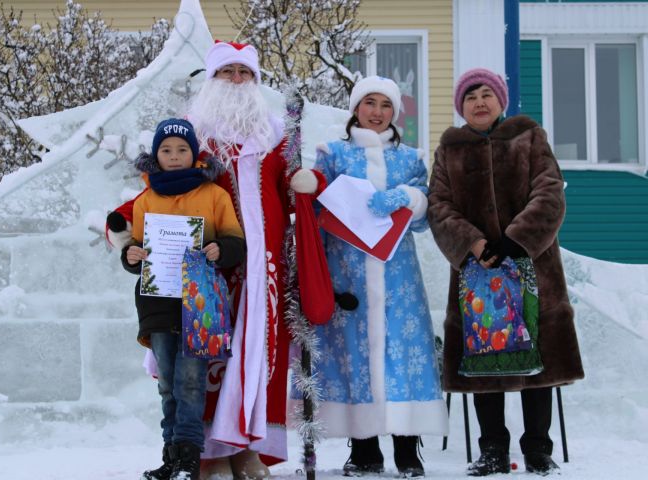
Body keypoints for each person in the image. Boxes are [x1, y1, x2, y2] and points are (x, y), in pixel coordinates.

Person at [427, 68, 584, 476]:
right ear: (461, 107)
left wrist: (517, 240)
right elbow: (439, 205)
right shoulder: (449, 150)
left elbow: (550, 191)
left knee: (539, 361)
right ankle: (493, 449)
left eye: (486, 94)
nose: (479, 102)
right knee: (483, 359)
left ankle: (538, 449)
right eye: (470, 97)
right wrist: (473, 244)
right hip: (477, 272)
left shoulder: (529, 137)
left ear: (501, 100)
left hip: (533, 265)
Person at [185, 40, 322, 479]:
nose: (237, 81)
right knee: (206, 350)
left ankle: (249, 449)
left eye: (245, 73)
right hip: (209, 260)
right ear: (212, 80)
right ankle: (206, 450)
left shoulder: (277, 133)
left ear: (256, 82)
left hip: (265, 265)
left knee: (262, 354)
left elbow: (292, 186)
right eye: (228, 72)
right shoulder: (191, 134)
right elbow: (163, 184)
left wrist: (308, 179)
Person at [307, 76, 448, 478]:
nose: (377, 111)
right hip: (347, 274)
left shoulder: (409, 159)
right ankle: (364, 449)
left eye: (386, 105)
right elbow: (316, 207)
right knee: (354, 356)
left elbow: (425, 212)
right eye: (369, 103)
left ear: (395, 113)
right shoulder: (332, 154)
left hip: (398, 278)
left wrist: (409, 197)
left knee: (402, 355)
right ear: (355, 108)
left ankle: (408, 449)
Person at [120, 118, 246, 480]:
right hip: (158, 303)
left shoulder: (214, 195)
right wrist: (131, 255)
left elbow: (236, 241)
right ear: (155, 156)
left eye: (182, 149)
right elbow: (138, 250)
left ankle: (189, 458)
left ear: (194, 154)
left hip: (198, 302)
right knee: (166, 382)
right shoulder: (146, 199)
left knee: (191, 381)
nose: (174, 156)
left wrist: (219, 249)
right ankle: (170, 456)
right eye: (166, 150)